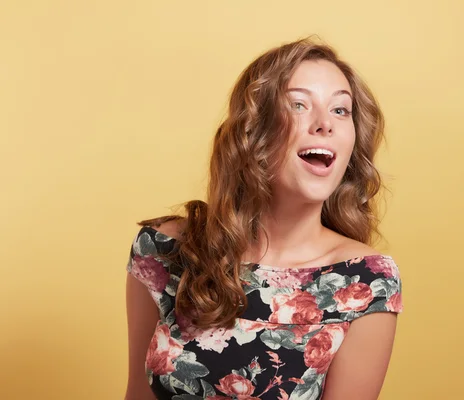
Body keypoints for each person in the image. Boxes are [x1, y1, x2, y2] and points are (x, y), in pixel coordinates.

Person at [125, 37, 404, 400]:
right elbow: (136, 393)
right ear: (253, 131)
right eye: (299, 104)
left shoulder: (366, 282)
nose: (325, 124)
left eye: (340, 110)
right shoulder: (163, 250)